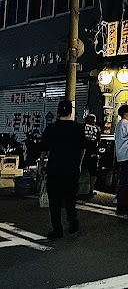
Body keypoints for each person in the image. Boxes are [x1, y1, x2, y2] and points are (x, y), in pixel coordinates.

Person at [40, 100, 86, 239]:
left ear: (58, 112)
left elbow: (44, 150)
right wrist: (79, 163)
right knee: (70, 197)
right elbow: (83, 148)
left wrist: (41, 165)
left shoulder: (52, 128)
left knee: (55, 201)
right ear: (71, 112)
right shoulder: (78, 128)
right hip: (71, 168)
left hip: (55, 168)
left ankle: (57, 229)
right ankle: (73, 221)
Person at [82, 114, 101, 196]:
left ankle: (74, 189)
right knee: (93, 172)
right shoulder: (97, 129)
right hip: (92, 153)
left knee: (78, 170)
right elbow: (98, 142)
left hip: (81, 152)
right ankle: (91, 190)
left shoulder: (82, 127)